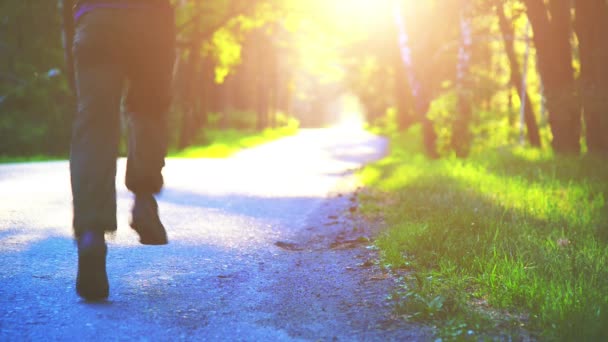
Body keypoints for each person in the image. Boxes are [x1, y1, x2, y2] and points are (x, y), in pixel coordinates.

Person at [63, 0, 176, 301]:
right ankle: (143, 200)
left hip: (97, 19)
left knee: (95, 124)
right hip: (152, 20)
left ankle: (91, 234)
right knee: (148, 111)